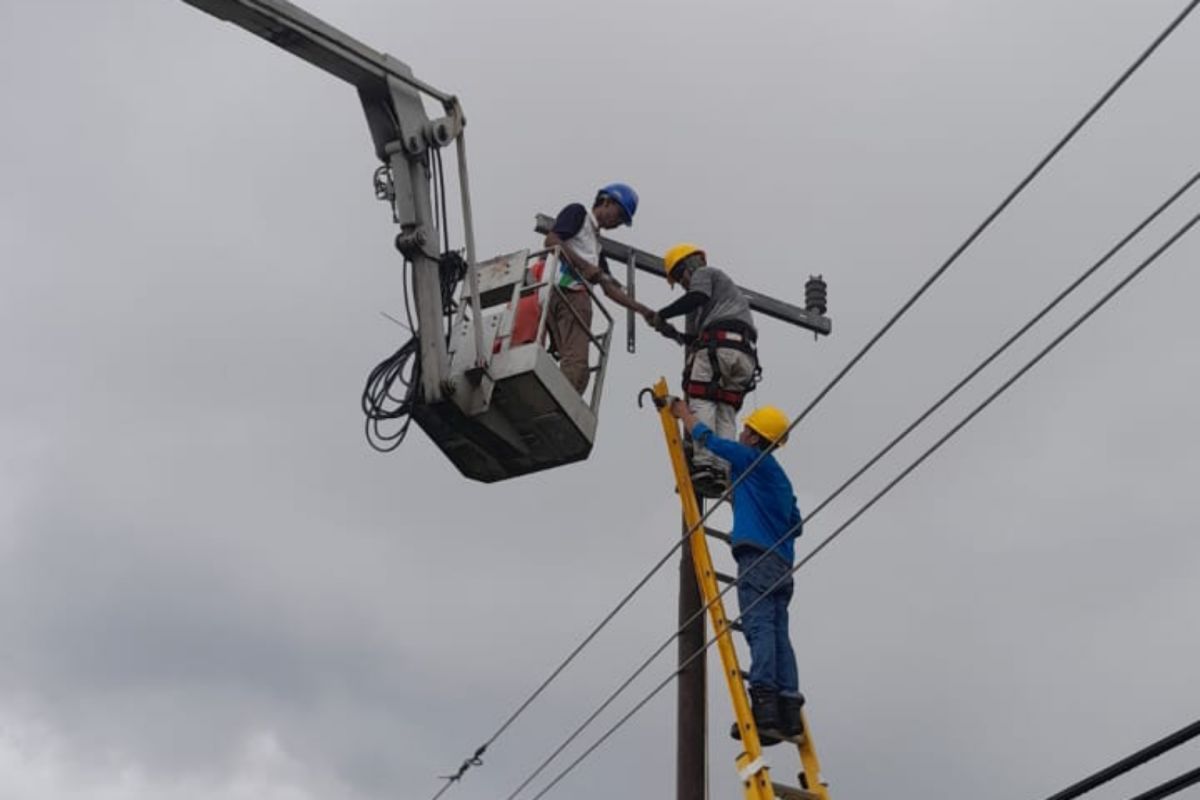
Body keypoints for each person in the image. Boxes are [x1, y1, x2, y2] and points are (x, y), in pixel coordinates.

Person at [668, 397, 804, 743]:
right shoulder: (781, 481)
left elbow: (711, 441)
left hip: (756, 559)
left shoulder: (751, 458)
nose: (741, 433)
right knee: (777, 634)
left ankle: (765, 710)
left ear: (756, 438)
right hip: (782, 565)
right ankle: (789, 711)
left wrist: (683, 414)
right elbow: (796, 524)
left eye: (746, 430)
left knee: (759, 630)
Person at [646, 244, 758, 496]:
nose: (684, 285)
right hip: (742, 355)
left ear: (686, 266)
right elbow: (695, 339)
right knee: (726, 410)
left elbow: (696, 297)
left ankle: (705, 463)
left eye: (679, 279)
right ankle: (721, 468)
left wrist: (663, 314)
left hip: (719, 349)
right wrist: (672, 333)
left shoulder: (705, 274)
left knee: (702, 399)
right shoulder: (725, 301)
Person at [543, 183, 653, 393]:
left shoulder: (596, 245)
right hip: (569, 294)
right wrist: (586, 267)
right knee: (577, 365)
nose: (617, 222)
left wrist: (643, 310)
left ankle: (555, 398)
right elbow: (551, 240)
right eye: (619, 215)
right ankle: (562, 407)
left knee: (572, 363)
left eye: (622, 221)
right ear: (606, 201)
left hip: (561, 297)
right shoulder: (579, 213)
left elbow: (609, 288)